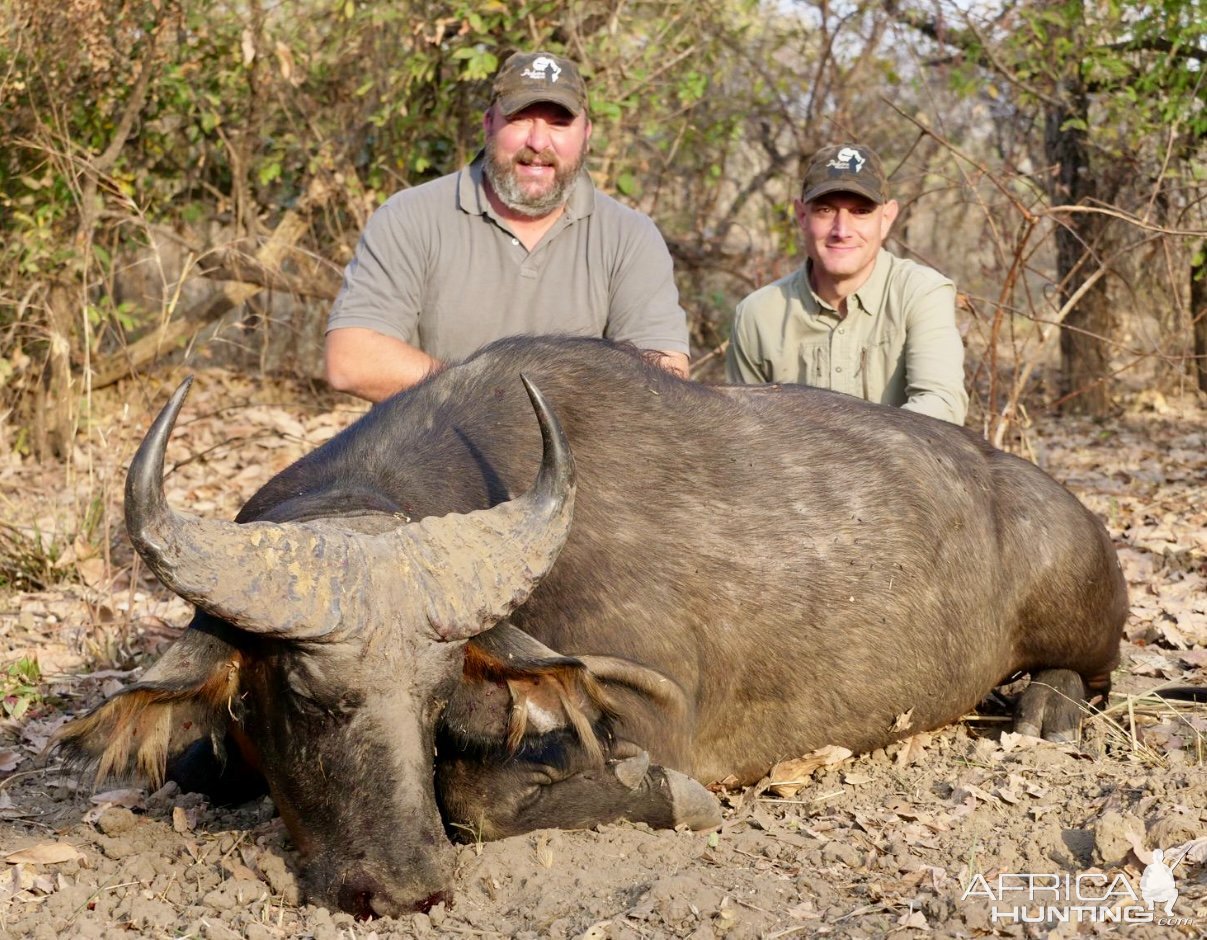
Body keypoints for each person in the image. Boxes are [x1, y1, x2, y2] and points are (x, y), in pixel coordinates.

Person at [324, 51, 690, 402]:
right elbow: (351, 360)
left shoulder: (630, 236)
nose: (538, 141)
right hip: (430, 454)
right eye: (520, 119)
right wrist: (495, 401)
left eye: (559, 123)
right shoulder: (409, 216)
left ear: (586, 134)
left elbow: (665, 381)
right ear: (489, 124)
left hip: (581, 457)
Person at [726, 143, 967, 425]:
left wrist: (849, 459)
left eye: (861, 211)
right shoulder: (757, 314)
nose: (842, 230)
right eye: (825, 211)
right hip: (794, 469)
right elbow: (743, 434)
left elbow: (942, 407)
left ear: (886, 218)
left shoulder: (921, 293)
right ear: (802, 216)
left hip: (901, 469)